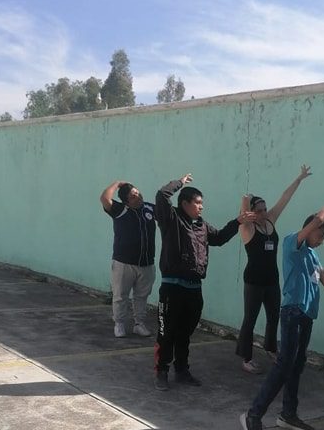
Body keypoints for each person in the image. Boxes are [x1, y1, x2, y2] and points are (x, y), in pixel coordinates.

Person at [240, 179, 324, 430]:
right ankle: (253, 415)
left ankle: (288, 414)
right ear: (310, 230)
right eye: (321, 235)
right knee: (284, 364)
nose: (322, 241)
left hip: (307, 316)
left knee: (296, 366)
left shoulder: (312, 255)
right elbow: (316, 221)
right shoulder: (292, 242)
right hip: (292, 313)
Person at [154, 173, 254, 391]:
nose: (201, 207)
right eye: (197, 203)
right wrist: (179, 182)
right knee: (167, 331)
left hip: (194, 289)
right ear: (184, 203)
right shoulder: (170, 218)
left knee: (185, 333)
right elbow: (162, 195)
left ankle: (182, 370)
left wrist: (237, 222)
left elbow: (218, 238)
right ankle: (162, 370)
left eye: (202, 203)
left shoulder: (202, 225)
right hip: (172, 287)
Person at [236, 165, 312, 373]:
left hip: (272, 279)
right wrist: (246, 199)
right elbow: (243, 211)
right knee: (250, 319)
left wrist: (299, 179)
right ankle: (246, 357)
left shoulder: (270, 220)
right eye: (258, 210)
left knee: (273, 317)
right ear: (251, 212)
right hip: (253, 280)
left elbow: (284, 199)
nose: (262, 213)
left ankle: (270, 349)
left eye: (263, 209)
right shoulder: (247, 227)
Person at [100, 179, 156, 337]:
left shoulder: (149, 208)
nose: (137, 197)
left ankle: (139, 324)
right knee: (120, 295)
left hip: (146, 263)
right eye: (132, 196)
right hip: (123, 263)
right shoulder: (119, 210)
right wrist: (117, 184)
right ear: (125, 201)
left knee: (142, 296)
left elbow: (168, 214)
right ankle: (119, 324)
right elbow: (104, 198)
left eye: (138, 193)